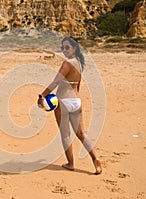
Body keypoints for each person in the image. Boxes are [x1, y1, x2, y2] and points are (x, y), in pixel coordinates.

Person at [37, 36, 102, 174]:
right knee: (82, 133)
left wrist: (42, 96)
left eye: (67, 47)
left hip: (64, 101)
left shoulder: (67, 63)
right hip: (77, 101)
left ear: (75, 48)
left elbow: (56, 82)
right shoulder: (79, 62)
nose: (64, 50)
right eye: (62, 48)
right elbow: (77, 85)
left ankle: (71, 163)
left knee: (65, 134)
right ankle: (95, 159)